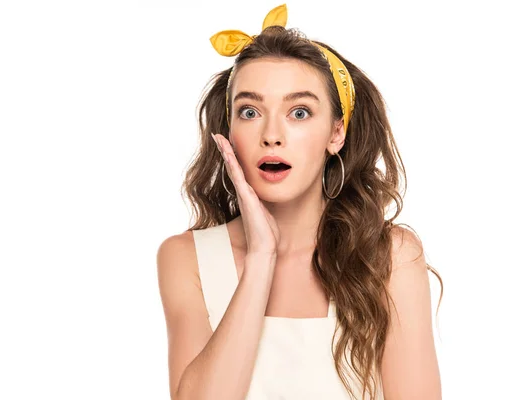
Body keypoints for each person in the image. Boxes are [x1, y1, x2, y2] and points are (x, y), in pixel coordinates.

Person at [157, 4, 443, 399]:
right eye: (250, 111)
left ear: (336, 134)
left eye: (300, 112)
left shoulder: (391, 257)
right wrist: (261, 256)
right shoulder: (185, 258)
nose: (272, 135)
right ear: (229, 132)